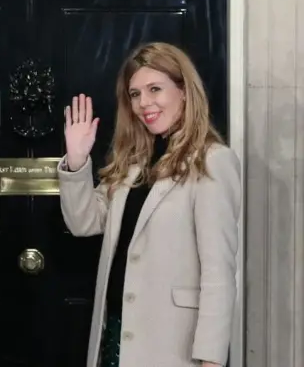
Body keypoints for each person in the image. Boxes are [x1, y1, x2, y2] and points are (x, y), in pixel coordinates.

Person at [57, 42, 240, 367]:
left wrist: (211, 358)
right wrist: (76, 161)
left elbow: (218, 273)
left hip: (173, 345)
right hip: (116, 333)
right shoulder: (132, 163)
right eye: (135, 94)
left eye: (155, 89)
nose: (144, 103)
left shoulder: (213, 161)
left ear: (184, 91)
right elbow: (83, 222)